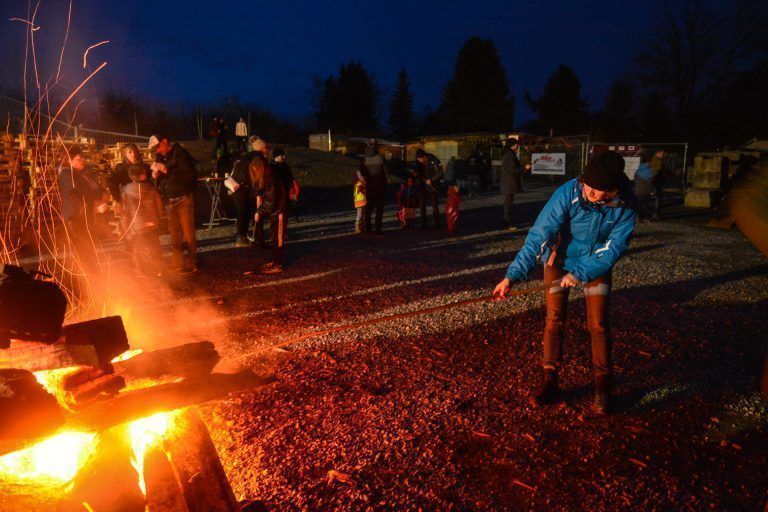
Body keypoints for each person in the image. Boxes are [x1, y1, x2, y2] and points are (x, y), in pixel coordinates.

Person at [492, 151, 637, 415]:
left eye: (597, 193)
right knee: (555, 318)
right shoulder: (569, 193)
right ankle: (550, 379)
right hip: (558, 263)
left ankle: (603, 385)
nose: (590, 195)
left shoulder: (626, 204)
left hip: (596, 265)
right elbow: (539, 235)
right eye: (588, 188)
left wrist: (582, 272)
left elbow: (615, 247)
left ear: (613, 190)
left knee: (598, 323)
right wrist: (511, 276)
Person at [148, 134, 198, 275]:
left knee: (188, 233)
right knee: (174, 234)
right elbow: (161, 177)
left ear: (165, 141)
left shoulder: (181, 153)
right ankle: (177, 263)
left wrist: (167, 170)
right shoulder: (160, 156)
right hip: (169, 200)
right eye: (155, 149)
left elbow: (189, 175)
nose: (157, 150)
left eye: (158, 147)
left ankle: (191, 262)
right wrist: (155, 176)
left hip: (183, 199)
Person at [57, 145, 107, 262]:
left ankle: (91, 275)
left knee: (90, 248)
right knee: (83, 250)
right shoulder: (67, 175)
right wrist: (94, 208)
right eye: (78, 159)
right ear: (69, 161)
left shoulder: (81, 175)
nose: (82, 161)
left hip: (86, 217)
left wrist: (101, 197)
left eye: (82, 158)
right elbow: (75, 196)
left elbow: (95, 190)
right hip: (76, 218)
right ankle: (85, 277)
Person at [120, 165, 163, 277]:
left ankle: (141, 272)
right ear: (142, 175)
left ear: (131, 176)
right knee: (155, 248)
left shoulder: (127, 190)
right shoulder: (151, 188)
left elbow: (125, 212)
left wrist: (125, 229)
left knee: (137, 250)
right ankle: (158, 270)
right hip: (152, 224)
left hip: (137, 227)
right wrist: (158, 218)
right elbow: (159, 205)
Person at [249, 153, 287, 274]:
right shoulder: (266, 175)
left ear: (261, 168)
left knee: (278, 238)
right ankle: (273, 260)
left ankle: (278, 264)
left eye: (256, 170)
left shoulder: (271, 176)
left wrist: (259, 212)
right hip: (274, 211)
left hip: (279, 210)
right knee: (273, 237)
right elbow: (262, 192)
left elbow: (272, 198)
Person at [108, 144, 153, 216]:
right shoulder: (121, 168)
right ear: (125, 154)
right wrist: (119, 199)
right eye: (130, 152)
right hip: (128, 202)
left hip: (144, 202)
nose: (133, 154)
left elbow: (152, 184)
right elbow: (112, 184)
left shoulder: (145, 167)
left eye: (135, 151)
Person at [360, 139, 388, 235]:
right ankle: (378, 229)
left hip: (370, 187)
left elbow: (361, 172)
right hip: (380, 187)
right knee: (379, 210)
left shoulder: (364, 159)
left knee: (369, 209)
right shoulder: (380, 158)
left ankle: (368, 229)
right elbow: (386, 172)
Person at [412, 149, 441, 229]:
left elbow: (440, 173)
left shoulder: (433, 160)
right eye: (418, 159)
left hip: (432, 186)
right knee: (422, 205)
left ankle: (437, 224)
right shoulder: (417, 162)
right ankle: (424, 224)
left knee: (434, 205)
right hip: (422, 186)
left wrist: (431, 180)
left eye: (420, 159)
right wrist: (414, 174)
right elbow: (415, 171)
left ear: (424, 157)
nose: (419, 161)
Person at [500, 139, 523, 230]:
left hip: (508, 183)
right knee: (508, 204)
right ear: (512, 145)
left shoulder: (509, 154)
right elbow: (513, 169)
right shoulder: (509, 154)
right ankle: (506, 224)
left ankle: (506, 223)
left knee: (508, 203)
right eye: (516, 144)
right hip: (509, 183)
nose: (517, 146)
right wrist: (523, 168)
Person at [634, 154, 654, 220]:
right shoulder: (649, 171)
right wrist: (651, 191)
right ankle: (645, 218)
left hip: (638, 190)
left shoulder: (638, 170)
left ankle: (637, 217)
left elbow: (635, 179)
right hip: (646, 191)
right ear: (648, 162)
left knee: (638, 205)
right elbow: (650, 183)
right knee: (645, 205)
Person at [650, 149, 666, 219]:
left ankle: (655, 213)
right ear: (658, 153)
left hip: (654, 181)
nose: (663, 155)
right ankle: (656, 214)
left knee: (656, 198)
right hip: (657, 181)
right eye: (662, 153)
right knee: (658, 198)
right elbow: (657, 171)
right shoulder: (658, 161)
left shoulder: (653, 160)